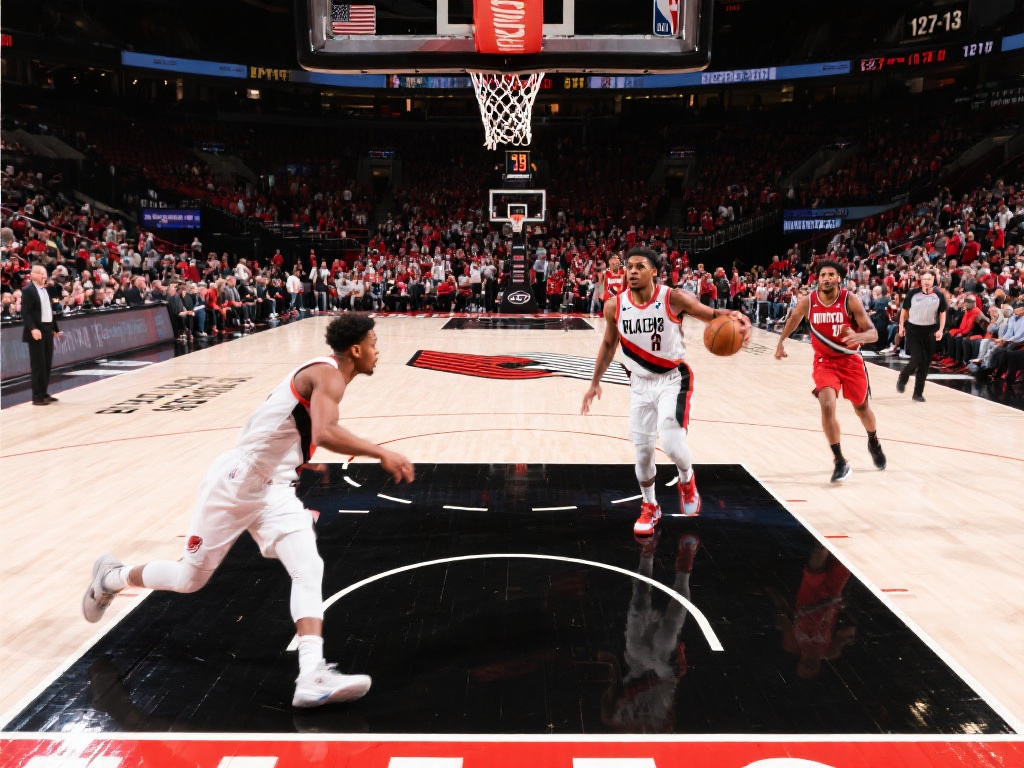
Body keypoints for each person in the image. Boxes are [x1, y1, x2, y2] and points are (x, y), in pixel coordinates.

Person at [81, 314, 415, 708]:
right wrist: (381, 452)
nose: (378, 351)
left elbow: (289, 427)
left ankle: (312, 675)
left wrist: (300, 458)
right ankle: (113, 577)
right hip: (237, 484)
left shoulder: (326, 377)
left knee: (308, 567)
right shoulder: (329, 375)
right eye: (374, 343)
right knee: (190, 579)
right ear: (356, 350)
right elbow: (324, 431)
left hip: (276, 489)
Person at [581, 247, 751, 536]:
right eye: (629, 267)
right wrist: (595, 381)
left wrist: (736, 317)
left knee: (671, 443)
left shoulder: (672, 297)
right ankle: (650, 506)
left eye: (640, 266)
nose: (632, 271)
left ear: (654, 271)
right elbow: (609, 344)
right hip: (639, 385)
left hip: (672, 379)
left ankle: (687, 478)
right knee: (643, 454)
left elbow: (711, 314)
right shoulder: (614, 306)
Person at [775, 261, 887, 483]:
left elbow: (873, 333)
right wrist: (781, 342)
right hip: (824, 362)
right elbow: (794, 318)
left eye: (831, 275)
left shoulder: (849, 300)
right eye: (823, 275)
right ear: (818, 279)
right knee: (827, 405)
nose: (826, 278)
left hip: (850, 360)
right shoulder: (809, 302)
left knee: (862, 408)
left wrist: (858, 337)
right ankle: (839, 460)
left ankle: (873, 440)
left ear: (839, 279)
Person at [895, 270, 947, 402]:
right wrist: (901, 326)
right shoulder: (913, 293)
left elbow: (943, 313)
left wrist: (941, 329)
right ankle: (903, 376)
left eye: (929, 279)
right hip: (913, 330)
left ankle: (917, 393)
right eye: (924, 279)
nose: (926, 282)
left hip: (929, 331)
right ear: (921, 280)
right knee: (917, 359)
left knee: (925, 364)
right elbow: (904, 311)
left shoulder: (939, 295)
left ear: (933, 280)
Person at [21, 264, 61, 405]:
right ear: (33, 275)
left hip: (48, 328)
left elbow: (49, 311)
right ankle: (37, 396)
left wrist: (55, 329)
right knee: (38, 364)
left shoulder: (46, 290)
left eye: (45, 273)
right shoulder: (28, 290)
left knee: (47, 363)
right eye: (41, 273)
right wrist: (33, 329)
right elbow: (26, 312)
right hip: (37, 330)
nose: (44, 276)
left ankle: (44, 392)